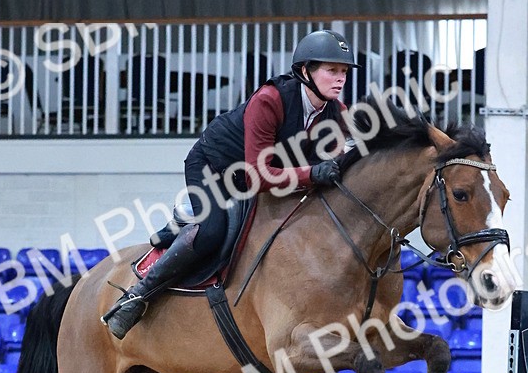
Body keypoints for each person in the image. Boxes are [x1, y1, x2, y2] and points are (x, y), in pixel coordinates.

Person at [102, 29, 357, 339]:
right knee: (212, 231)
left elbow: (343, 162)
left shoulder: (337, 113)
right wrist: (314, 174)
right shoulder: (269, 100)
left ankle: (186, 224)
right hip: (214, 166)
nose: (340, 79)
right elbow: (257, 176)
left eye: (344, 72)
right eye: (332, 70)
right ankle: (137, 295)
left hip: (261, 177)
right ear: (305, 71)